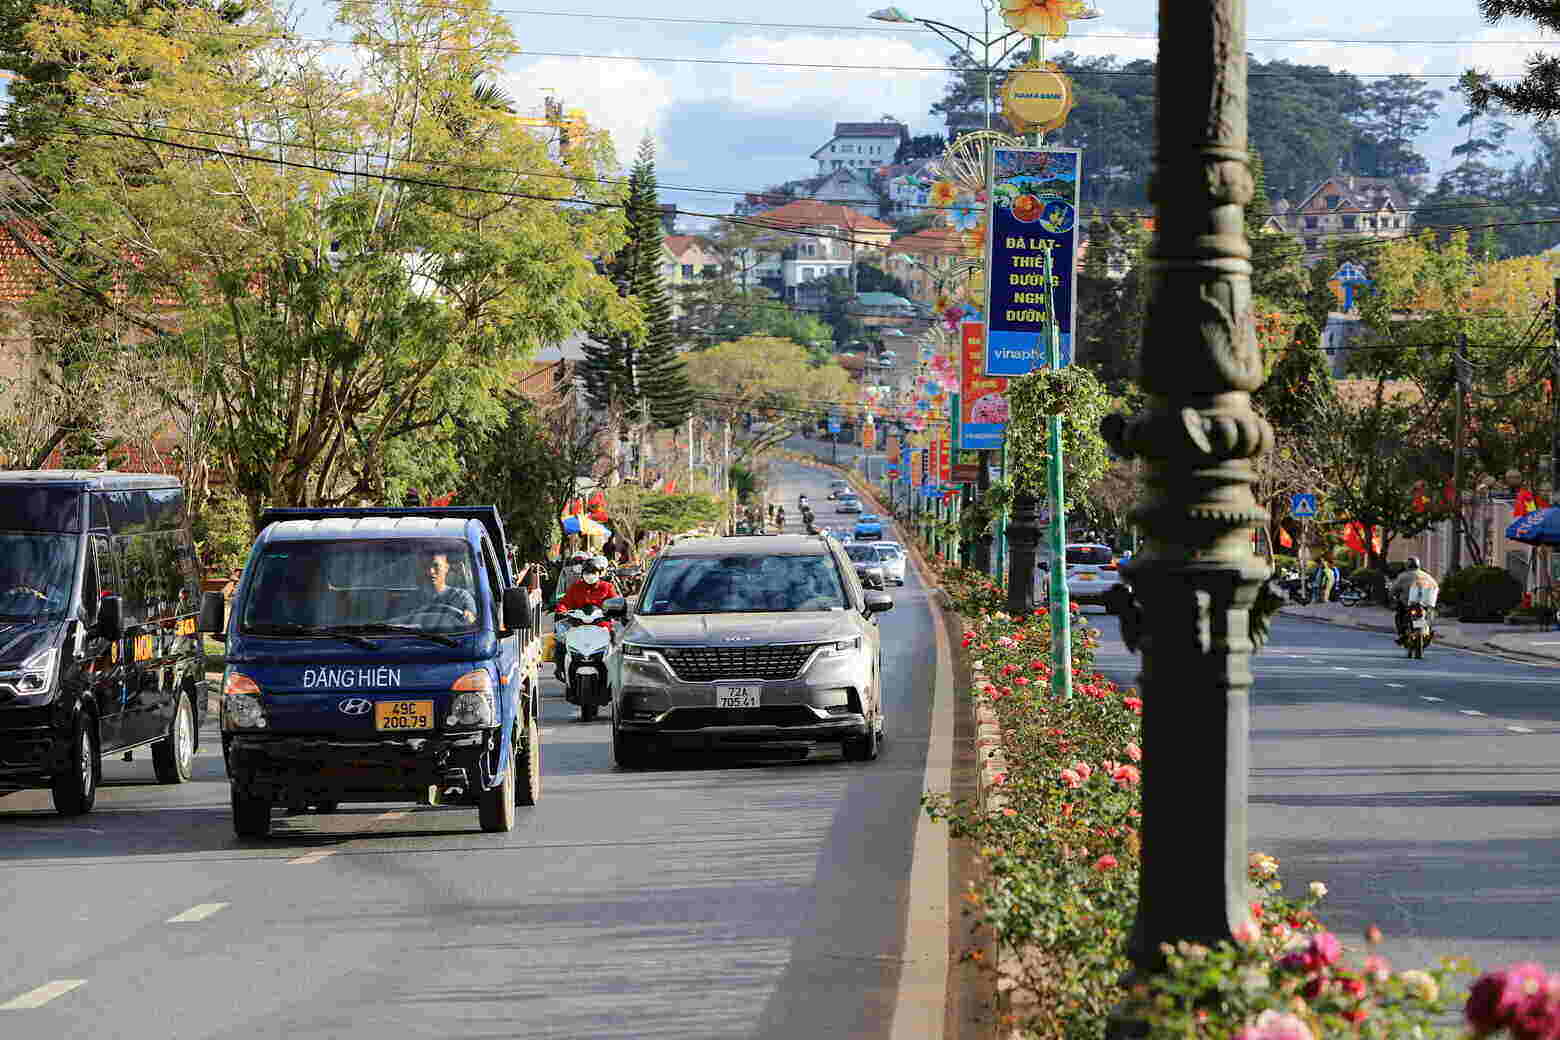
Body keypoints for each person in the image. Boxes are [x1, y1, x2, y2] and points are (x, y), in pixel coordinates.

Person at [553, 555, 619, 680]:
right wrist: (561, 610)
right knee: (560, 640)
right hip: (578, 625)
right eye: (587, 572)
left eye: (593, 572)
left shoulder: (607, 587)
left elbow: (615, 602)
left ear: (599, 573)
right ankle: (560, 669)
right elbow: (565, 602)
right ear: (582, 574)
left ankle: (616, 674)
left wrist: (613, 611)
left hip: (602, 625)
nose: (590, 575)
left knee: (617, 642)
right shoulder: (576, 587)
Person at [415, 549, 477, 623]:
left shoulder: (461, 597)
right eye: (425, 566)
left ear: (446, 568)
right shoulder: (412, 599)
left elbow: (472, 624)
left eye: (436, 565)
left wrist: (469, 617)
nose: (430, 571)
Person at [1391, 556, 1440, 643]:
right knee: (1430, 614)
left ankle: (1402, 634)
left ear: (1407, 566)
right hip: (1425, 603)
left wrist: (1391, 596)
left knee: (1399, 614)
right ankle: (1428, 630)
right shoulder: (1427, 576)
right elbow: (1435, 587)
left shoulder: (1403, 576)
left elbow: (1394, 589)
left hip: (1408, 603)